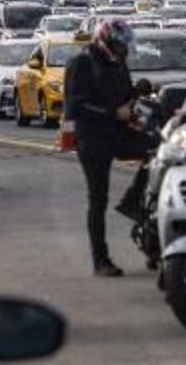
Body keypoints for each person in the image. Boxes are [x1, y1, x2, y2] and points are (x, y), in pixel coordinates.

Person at [66, 18, 138, 277]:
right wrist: (112, 113)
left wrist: (137, 104)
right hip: (93, 139)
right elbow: (75, 107)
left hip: (119, 133)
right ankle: (101, 259)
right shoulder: (82, 63)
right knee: (98, 199)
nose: (123, 51)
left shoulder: (119, 63)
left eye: (125, 47)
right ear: (106, 42)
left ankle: (136, 205)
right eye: (119, 46)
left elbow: (128, 93)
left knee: (159, 151)